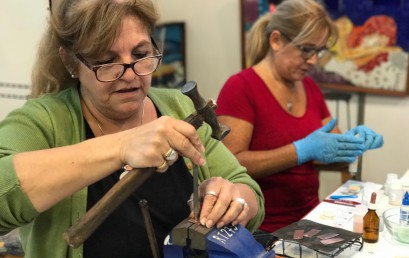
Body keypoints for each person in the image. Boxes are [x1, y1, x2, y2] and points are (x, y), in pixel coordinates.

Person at [0, 1, 265, 257]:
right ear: (70, 62)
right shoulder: (42, 122)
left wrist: (234, 201)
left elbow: (248, 191)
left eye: (140, 55)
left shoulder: (178, 106)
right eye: (106, 60)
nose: (130, 74)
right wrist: (122, 146)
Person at [216, 0, 383, 236]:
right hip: (262, 227)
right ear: (276, 40)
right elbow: (231, 164)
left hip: (310, 220)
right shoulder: (240, 88)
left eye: (319, 51)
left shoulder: (310, 88)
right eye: (306, 49)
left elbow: (332, 156)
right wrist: (300, 150)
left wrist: (352, 145)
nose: (314, 60)